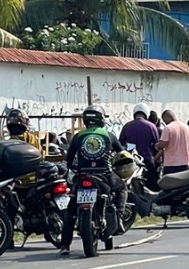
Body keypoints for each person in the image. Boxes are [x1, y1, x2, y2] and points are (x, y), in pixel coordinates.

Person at [59, 105, 126, 256]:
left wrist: (75, 167)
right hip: (105, 176)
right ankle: (120, 217)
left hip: (82, 176)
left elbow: (69, 160)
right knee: (122, 188)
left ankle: (65, 245)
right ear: (101, 119)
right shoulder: (109, 135)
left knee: (70, 210)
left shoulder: (78, 137)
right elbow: (122, 154)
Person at [119, 103, 160, 187]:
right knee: (151, 187)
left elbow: (120, 144)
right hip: (148, 161)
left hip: (131, 162)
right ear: (146, 113)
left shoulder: (127, 126)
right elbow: (157, 145)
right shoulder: (151, 126)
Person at [156, 109, 189, 174]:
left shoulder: (168, 128)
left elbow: (161, 145)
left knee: (170, 183)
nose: (165, 122)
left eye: (164, 120)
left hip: (171, 164)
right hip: (185, 163)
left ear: (167, 118)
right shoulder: (187, 127)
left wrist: (157, 145)